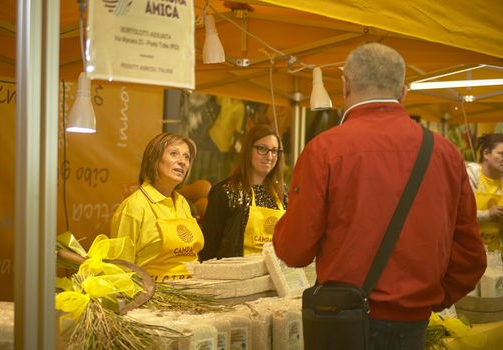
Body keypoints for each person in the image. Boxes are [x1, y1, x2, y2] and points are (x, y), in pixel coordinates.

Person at [273, 43, 486, 349]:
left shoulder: (324, 150)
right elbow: (471, 256)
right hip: (413, 325)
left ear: (345, 84)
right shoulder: (445, 154)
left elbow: (294, 251)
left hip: (342, 324)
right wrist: (429, 299)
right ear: (403, 91)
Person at [110, 132, 204, 282]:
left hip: (190, 292)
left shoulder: (182, 203)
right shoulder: (134, 207)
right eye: (174, 154)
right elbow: (120, 269)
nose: (183, 162)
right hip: (154, 296)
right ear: (154, 159)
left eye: (187, 157)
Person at [200, 124, 287, 260]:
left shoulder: (284, 194)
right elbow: (208, 249)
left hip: (274, 278)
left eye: (275, 150)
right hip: (236, 279)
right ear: (248, 150)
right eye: (262, 149)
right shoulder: (224, 193)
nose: (270, 156)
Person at [466, 133, 503, 251]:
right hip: (469, 249)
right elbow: (461, 215)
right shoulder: (472, 174)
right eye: (501, 154)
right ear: (486, 153)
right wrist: (488, 214)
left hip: (495, 252)